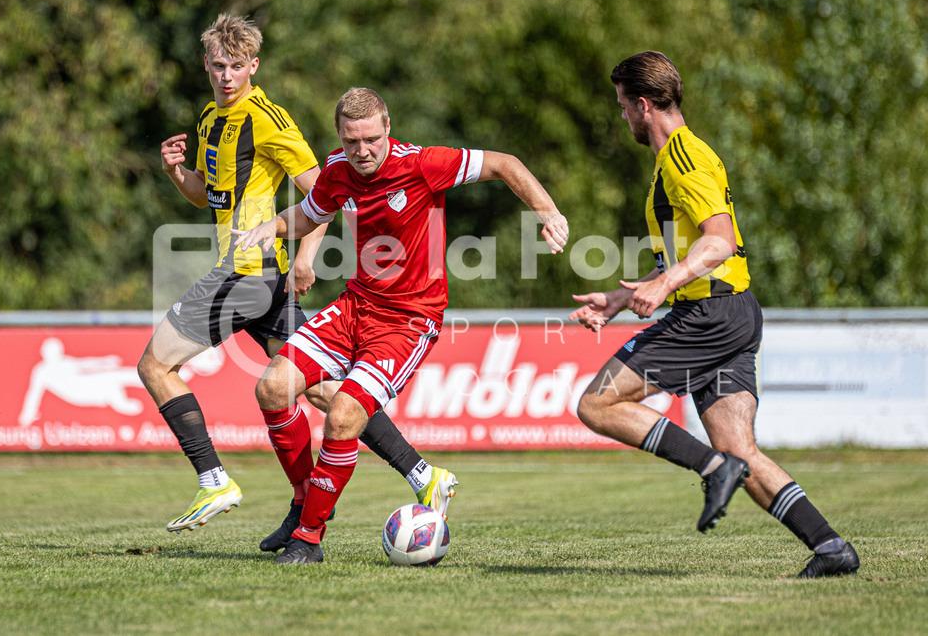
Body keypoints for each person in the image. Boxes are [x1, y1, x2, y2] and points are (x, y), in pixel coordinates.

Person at [137, 15, 458, 550]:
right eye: (218, 66)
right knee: (316, 389)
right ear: (206, 66)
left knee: (154, 365)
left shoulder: (267, 119)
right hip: (263, 281)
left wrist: (307, 255)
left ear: (254, 66)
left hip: (249, 272)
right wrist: (176, 173)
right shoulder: (210, 119)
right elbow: (207, 195)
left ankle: (213, 479)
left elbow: (323, 191)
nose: (226, 76)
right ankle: (422, 474)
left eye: (236, 66)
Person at [232, 87, 569, 563]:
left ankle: (308, 539)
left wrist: (548, 213)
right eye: (351, 141)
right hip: (356, 306)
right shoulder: (336, 170)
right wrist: (275, 226)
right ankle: (305, 500)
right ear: (339, 136)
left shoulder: (423, 164)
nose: (362, 151)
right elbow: (309, 215)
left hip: (408, 320)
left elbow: (505, 163)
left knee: (343, 415)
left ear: (387, 128)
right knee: (272, 388)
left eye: (371, 139)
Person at [569, 51, 859, 579]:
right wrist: (620, 298)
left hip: (710, 315)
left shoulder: (682, 158)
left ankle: (713, 468)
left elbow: (719, 239)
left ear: (643, 105)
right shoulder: (677, 158)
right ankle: (831, 547)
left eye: (623, 106)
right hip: (732, 312)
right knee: (740, 448)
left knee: (598, 403)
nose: (622, 116)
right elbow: (691, 251)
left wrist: (666, 284)